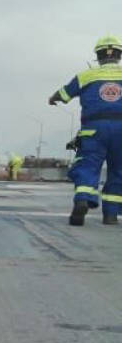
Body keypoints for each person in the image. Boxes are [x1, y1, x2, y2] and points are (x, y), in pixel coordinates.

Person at [48, 34, 122, 226]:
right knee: (118, 171)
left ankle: (82, 199)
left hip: (93, 131)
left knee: (88, 166)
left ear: (98, 56)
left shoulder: (86, 76)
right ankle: (111, 215)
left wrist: (53, 98)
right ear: (119, 54)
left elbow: (63, 94)